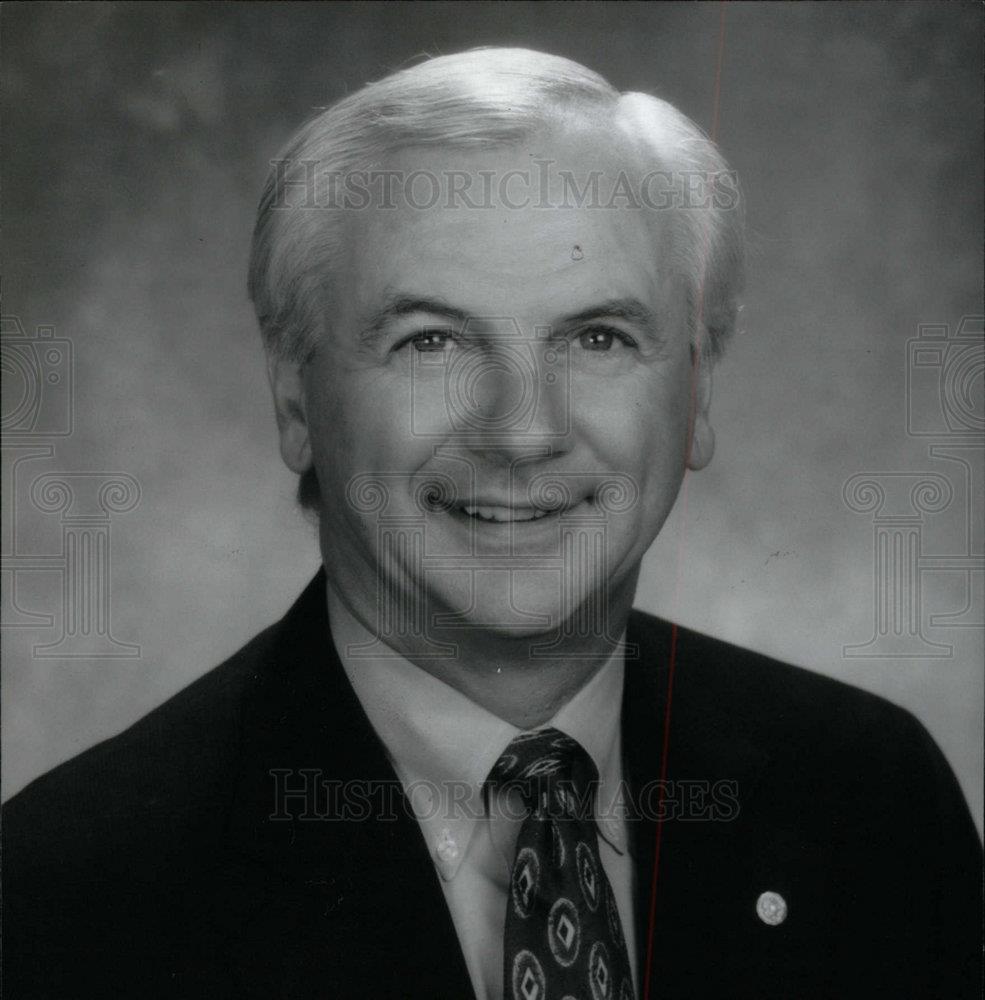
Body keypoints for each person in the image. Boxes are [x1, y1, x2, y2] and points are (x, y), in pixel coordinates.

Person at [3, 48, 981, 1000]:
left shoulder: (875, 802)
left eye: (598, 337)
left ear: (700, 393)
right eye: (430, 340)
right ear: (295, 401)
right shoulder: (65, 898)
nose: (521, 431)